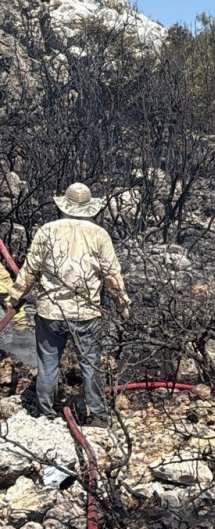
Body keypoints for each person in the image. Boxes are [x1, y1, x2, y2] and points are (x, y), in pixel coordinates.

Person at [4, 182, 131, 426]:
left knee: (48, 364)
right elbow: (112, 275)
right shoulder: (99, 234)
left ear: (64, 206)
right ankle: (97, 415)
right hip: (87, 313)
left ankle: (45, 413)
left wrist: (14, 298)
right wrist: (122, 305)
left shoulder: (47, 231)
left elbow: (30, 270)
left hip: (51, 311)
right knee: (91, 365)